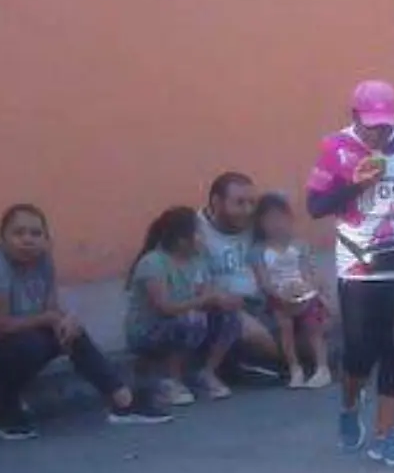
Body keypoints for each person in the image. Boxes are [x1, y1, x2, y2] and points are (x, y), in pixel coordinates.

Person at [0, 204, 170, 438]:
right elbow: (0, 326)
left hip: (7, 343)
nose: (28, 240)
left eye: (36, 233)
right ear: (2, 238)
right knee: (28, 344)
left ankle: (122, 400)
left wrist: (63, 321)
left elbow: (50, 309)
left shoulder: (42, 260)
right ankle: (0, 410)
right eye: (18, 233)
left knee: (69, 331)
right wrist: (50, 318)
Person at [305, 78, 394, 468]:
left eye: (384, 124)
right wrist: (354, 185)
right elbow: (315, 205)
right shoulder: (336, 148)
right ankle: (349, 405)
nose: (378, 133)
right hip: (361, 264)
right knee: (360, 353)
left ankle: (386, 436)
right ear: (354, 118)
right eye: (370, 125)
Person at [125, 206, 244, 406]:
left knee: (229, 317)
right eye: (198, 234)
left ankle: (207, 372)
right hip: (149, 328)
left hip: (187, 319)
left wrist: (222, 299)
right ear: (182, 240)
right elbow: (164, 307)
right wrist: (203, 301)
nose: (203, 239)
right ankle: (172, 380)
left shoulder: (198, 259)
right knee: (188, 320)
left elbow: (203, 290)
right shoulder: (153, 263)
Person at [198, 173, 284, 378]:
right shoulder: (196, 231)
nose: (247, 210)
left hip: (261, 301)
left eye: (251, 203)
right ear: (216, 202)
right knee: (255, 333)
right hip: (222, 308)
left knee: (312, 321)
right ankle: (290, 364)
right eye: (239, 203)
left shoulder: (256, 225)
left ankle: (284, 362)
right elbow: (195, 284)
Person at [250, 192, 332, 389]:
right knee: (284, 324)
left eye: (280, 217)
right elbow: (264, 281)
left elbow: (308, 273)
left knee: (313, 322)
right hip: (278, 296)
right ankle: (295, 368)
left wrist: (307, 290)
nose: (276, 224)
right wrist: (280, 294)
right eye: (269, 219)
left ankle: (322, 368)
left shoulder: (299, 245)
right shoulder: (258, 250)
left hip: (303, 292)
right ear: (260, 223)